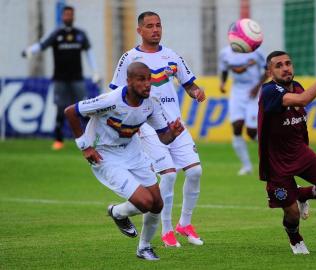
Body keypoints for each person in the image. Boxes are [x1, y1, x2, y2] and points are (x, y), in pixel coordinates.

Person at [64, 62, 185, 260]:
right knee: (145, 202)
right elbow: (71, 111)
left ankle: (144, 248)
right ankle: (118, 213)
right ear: (129, 81)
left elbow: (164, 137)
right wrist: (85, 146)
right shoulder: (110, 100)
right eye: (141, 79)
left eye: (149, 79)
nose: (147, 84)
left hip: (133, 152)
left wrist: (173, 133)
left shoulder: (151, 102)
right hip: (106, 155)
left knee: (157, 205)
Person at [109, 11, 206, 248]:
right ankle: (166, 230)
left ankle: (185, 224)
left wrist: (196, 92)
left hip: (175, 124)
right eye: (150, 26)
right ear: (139, 30)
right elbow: (115, 92)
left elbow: (189, 84)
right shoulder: (129, 58)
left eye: (159, 25)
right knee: (169, 175)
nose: (156, 30)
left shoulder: (171, 56)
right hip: (148, 127)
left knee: (195, 172)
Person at [258, 51, 316, 254]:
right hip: (277, 163)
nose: (286, 68)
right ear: (270, 72)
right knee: (292, 214)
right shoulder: (270, 91)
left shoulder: (296, 86)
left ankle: (302, 194)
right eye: (278, 65)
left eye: (288, 63)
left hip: (301, 154)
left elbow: (301, 104)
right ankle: (295, 238)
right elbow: (304, 100)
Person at [22, 5, 100, 150]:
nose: (68, 17)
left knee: (85, 108)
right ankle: (58, 140)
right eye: (66, 15)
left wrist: (95, 71)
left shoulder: (80, 35)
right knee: (59, 110)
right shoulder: (56, 34)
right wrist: (29, 52)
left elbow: (89, 53)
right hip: (60, 79)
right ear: (62, 17)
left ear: (73, 17)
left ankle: (92, 138)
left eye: (70, 15)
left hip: (77, 78)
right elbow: (42, 45)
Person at [218, 45, 268, 175]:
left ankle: (273, 150)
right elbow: (224, 70)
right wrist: (223, 83)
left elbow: (268, 70)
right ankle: (247, 166)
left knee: (251, 132)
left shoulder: (256, 51)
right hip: (237, 92)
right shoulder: (225, 53)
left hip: (254, 92)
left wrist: (258, 87)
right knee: (237, 126)